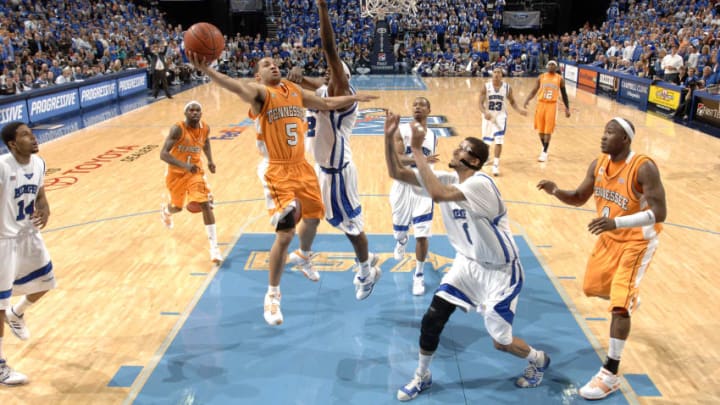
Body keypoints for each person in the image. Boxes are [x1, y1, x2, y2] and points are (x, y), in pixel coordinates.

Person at [186, 52, 376, 326]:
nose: (273, 65)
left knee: (313, 216)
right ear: (257, 76)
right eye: (265, 65)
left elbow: (324, 102)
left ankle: (305, 258)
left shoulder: (294, 90)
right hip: (276, 169)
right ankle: (272, 296)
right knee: (286, 233)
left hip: (302, 166)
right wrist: (208, 70)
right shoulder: (259, 94)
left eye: (274, 63)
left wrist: (353, 98)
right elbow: (232, 84)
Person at [383, 112, 550, 401]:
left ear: (473, 161)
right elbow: (397, 173)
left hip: (501, 272)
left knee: (501, 342)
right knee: (432, 318)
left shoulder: (481, 184)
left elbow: (437, 194)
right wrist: (388, 138)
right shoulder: (449, 178)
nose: (455, 150)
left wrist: (419, 151)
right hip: (467, 265)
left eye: (462, 148)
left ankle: (537, 359)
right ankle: (422, 375)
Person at [537, 117, 667, 400]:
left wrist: (617, 224)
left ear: (626, 140)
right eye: (604, 131)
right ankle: (628, 296)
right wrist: (556, 190)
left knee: (619, 305)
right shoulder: (598, 164)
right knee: (591, 288)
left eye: (611, 132)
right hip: (609, 239)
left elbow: (660, 213)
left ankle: (610, 373)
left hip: (637, 241)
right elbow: (579, 197)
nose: (604, 136)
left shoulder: (643, 167)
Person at [286, 0, 381, 300]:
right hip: (322, 169)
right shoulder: (326, 90)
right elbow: (313, 82)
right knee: (307, 208)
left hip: (338, 173)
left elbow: (330, 50)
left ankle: (367, 270)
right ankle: (304, 252)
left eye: (333, 72)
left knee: (351, 227)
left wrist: (323, 9)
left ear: (342, 79)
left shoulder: (342, 93)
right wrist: (295, 76)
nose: (328, 73)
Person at [1, 122, 60, 386]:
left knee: (46, 283)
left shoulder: (39, 163)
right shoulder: (2, 167)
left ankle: (18, 313)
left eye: (32, 133)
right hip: (3, 241)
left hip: (28, 235)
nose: (33, 138)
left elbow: (41, 195)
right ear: (13, 144)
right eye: (25, 135)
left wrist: (45, 209)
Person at [159, 101, 222, 264]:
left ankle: (214, 248)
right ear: (185, 113)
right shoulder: (177, 129)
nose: (195, 113)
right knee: (177, 208)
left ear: (201, 113)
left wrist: (210, 160)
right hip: (176, 174)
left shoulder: (205, 128)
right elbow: (163, 154)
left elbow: (206, 141)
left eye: (198, 110)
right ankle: (166, 211)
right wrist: (184, 165)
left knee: (205, 204)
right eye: (191, 110)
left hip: (195, 173)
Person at [387, 97, 437, 296]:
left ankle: (419, 275)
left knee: (422, 233)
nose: (417, 107)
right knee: (400, 231)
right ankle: (401, 240)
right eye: (415, 104)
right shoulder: (402, 130)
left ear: (429, 110)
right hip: (402, 185)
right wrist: (421, 158)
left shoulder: (433, 135)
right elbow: (398, 158)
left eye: (422, 104)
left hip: (423, 187)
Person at [479, 67, 528, 176]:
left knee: (499, 140)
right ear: (492, 74)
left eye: (499, 72)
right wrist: (484, 112)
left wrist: (519, 110)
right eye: (495, 72)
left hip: (501, 116)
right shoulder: (486, 87)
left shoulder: (507, 88)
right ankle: (487, 157)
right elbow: (480, 103)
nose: (496, 74)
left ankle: (496, 165)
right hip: (488, 116)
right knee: (486, 142)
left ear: (502, 75)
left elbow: (513, 102)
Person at [523, 60, 571, 162]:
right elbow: (534, 90)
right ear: (547, 66)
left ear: (556, 67)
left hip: (552, 105)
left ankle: (544, 152)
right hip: (541, 104)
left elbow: (564, 95)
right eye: (550, 64)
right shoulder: (541, 77)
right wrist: (527, 100)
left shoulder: (560, 79)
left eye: (553, 65)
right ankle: (544, 148)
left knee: (548, 130)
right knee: (540, 131)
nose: (551, 66)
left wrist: (567, 108)